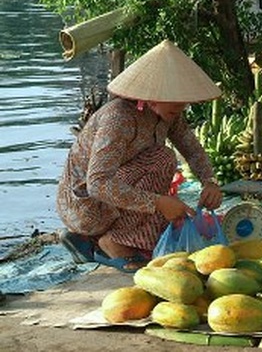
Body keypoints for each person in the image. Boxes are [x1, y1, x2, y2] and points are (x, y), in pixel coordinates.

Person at [57, 39, 224, 273]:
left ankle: (112, 238)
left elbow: (192, 149)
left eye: (182, 99)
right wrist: (156, 202)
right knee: (163, 158)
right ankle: (110, 243)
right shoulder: (119, 118)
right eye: (172, 98)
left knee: (164, 167)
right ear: (150, 95)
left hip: (120, 191)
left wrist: (210, 181)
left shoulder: (170, 114)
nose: (181, 105)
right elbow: (97, 184)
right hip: (86, 206)